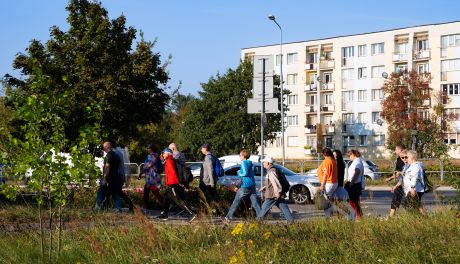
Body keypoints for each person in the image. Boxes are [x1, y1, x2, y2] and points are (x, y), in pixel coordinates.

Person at [158, 148, 196, 222]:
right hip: (170, 183)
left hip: (173, 183)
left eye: (164, 153)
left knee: (178, 199)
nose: (163, 154)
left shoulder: (169, 160)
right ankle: (164, 214)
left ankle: (192, 213)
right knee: (166, 198)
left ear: (168, 153)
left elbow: (173, 172)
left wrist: (178, 182)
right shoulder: (170, 160)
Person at [223, 149, 261, 222]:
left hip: (245, 185)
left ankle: (228, 217)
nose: (239, 157)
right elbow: (252, 173)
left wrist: (239, 172)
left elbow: (245, 173)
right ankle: (260, 217)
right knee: (255, 203)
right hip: (252, 185)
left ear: (243, 156)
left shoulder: (243, 163)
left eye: (240, 155)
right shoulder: (251, 163)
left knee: (236, 202)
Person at [256, 156, 294, 223]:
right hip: (276, 194)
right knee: (284, 207)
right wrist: (265, 187)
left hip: (272, 195)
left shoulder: (271, 171)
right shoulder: (272, 170)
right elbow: (272, 182)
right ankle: (291, 221)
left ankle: (257, 222)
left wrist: (277, 192)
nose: (263, 164)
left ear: (268, 163)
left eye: (264, 162)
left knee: (264, 209)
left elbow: (275, 182)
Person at [394, 150, 425, 214]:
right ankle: (421, 217)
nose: (406, 159)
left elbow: (414, 177)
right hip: (410, 189)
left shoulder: (416, 166)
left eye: (407, 157)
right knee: (416, 205)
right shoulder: (411, 166)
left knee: (409, 203)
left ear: (412, 158)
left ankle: (420, 217)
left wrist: (412, 187)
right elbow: (408, 176)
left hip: (415, 189)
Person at [96, 141, 122, 212]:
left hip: (109, 177)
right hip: (115, 177)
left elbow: (107, 167)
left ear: (107, 147)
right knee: (115, 193)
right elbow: (119, 165)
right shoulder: (116, 155)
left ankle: (98, 207)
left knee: (101, 192)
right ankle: (118, 208)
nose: (103, 148)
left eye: (104, 147)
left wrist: (104, 178)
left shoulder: (109, 156)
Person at [138, 144, 164, 211]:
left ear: (150, 149)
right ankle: (145, 206)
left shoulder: (152, 156)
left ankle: (165, 205)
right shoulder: (156, 155)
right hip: (153, 177)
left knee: (154, 192)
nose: (147, 149)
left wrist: (141, 173)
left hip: (152, 177)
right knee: (147, 191)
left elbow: (147, 166)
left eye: (147, 148)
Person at [112, 141, 134, 212]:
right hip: (120, 175)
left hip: (116, 176)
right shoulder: (119, 152)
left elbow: (115, 165)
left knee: (116, 192)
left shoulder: (114, 153)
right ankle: (129, 204)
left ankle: (120, 207)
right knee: (116, 192)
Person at [345, 149, 364, 219]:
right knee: (354, 201)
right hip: (354, 183)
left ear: (353, 155)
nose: (349, 157)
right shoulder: (355, 161)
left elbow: (357, 172)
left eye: (349, 155)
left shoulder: (357, 162)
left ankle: (358, 215)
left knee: (352, 200)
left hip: (355, 184)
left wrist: (351, 183)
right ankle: (358, 215)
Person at [389, 149, 409, 216]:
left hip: (411, 187)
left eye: (406, 157)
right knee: (395, 200)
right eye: (402, 157)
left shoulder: (413, 165)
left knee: (415, 203)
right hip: (403, 185)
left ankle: (422, 217)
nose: (404, 159)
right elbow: (402, 178)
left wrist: (390, 178)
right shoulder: (404, 165)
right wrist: (396, 186)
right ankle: (391, 217)